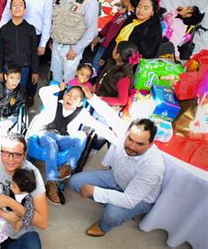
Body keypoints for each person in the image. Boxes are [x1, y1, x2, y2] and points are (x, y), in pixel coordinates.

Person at [69, 87, 165, 237]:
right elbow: (109, 115)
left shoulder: (153, 167)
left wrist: (95, 191)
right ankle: (109, 199)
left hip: (137, 198)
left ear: (151, 144)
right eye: (130, 139)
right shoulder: (127, 133)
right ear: (127, 133)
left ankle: (104, 226)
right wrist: (91, 97)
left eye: (140, 144)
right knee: (75, 182)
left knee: (112, 214)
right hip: (117, 177)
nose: (131, 147)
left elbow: (129, 200)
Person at [35, 84, 116, 205]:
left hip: (62, 140)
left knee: (81, 135)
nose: (70, 98)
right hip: (46, 136)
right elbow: (42, 91)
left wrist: (118, 141)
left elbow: (99, 126)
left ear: (79, 103)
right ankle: (51, 182)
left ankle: (67, 167)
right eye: (69, 95)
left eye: (75, 98)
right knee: (51, 144)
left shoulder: (81, 113)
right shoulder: (54, 103)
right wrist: (59, 88)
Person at [0, 0, 53, 104]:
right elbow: (5, 16)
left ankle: (28, 97)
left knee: (30, 70)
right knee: (13, 72)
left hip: (35, 36)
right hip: (11, 33)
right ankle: (9, 98)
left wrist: (43, 43)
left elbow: (47, 21)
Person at [50, 0, 98, 83]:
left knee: (68, 80)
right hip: (56, 44)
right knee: (55, 76)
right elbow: (56, 17)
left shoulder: (89, 1)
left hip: (71, 47)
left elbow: (92, 31)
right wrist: (53, 37)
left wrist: (76, 49)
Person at [92, 0, 146, 72]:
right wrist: (99, 36)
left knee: (102, 72)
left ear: (128, 0)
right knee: (94, 69)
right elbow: (109, 24)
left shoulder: (133, 19)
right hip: (105, 45)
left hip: (114, 51)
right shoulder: (121, 13)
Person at [0, 168, 36, 248]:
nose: (11, 186)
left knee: (4, 233)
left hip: (15, 217)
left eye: (14, 186)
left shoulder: (27, 199)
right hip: (4, 210)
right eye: (11, 182)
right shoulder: (8, 188)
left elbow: (29, 213)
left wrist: (20, 223)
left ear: (24, 191)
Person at [0, 0, 39, 94]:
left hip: (24, 68)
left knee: (21, 91)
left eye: (20, 5)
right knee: (7, 92)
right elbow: (0, 52)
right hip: (8, 68)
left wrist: (35, 71)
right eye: (14, 5)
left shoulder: (30, 29)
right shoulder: (4, 29)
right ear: (10, 10)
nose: (17, 7)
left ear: (24, 10)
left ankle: (18, 108)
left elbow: (34, 51)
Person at [0, 66, 25, 153]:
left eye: (18, 78)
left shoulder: (19, 94)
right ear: (5, 77)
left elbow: (16, 112)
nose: (15, 81)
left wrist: (8, 123)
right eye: (12, 78)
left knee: (2, 138)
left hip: (8, 119)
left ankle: (1, 160)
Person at [94, 41, 139, 109]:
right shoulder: (113, 63)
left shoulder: (124, 77)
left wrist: (101, 99)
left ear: (117, 54)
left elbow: (122, 101)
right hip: (97, 97)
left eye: (115, 48)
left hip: (104, 106)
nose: (113, 49)